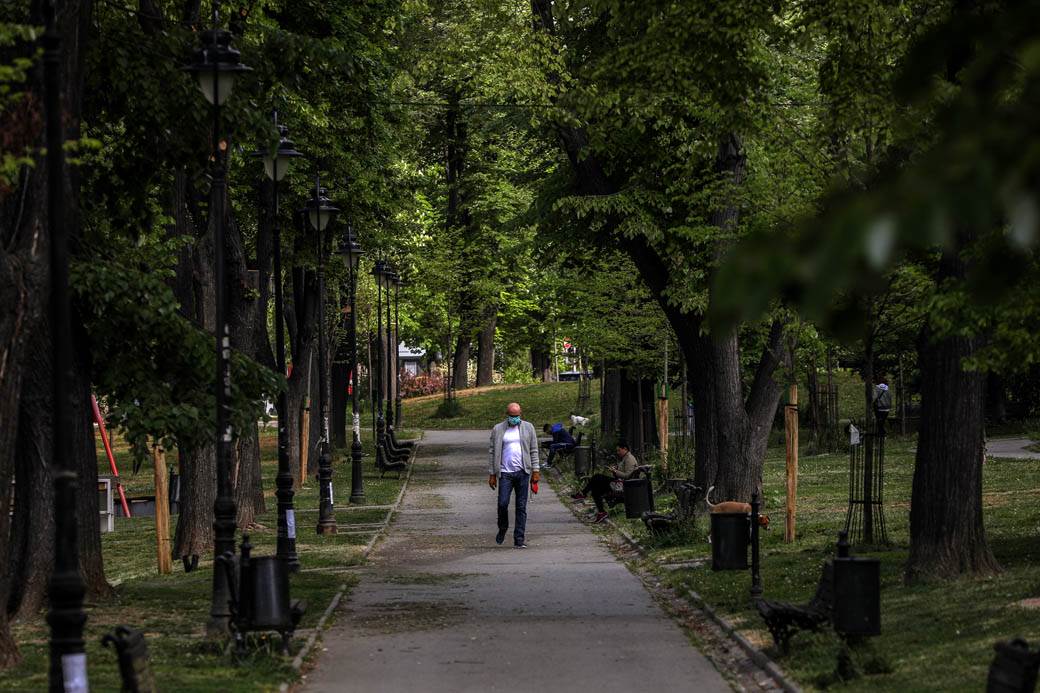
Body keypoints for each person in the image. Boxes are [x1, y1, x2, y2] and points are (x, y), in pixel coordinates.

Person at [488, 402, 541, 548]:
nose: (514, 419)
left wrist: (535, 470)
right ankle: (503, 527)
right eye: (512, 416)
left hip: (523, 472)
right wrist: (492, 473)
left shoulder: (528, 428)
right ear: (507, 415)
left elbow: (534, 450)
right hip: (505, 473)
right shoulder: (498, 429)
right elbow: (492, 452)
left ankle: (519, 539)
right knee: (502, 503)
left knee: (521, 506)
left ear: (521, 415)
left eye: (517, 416)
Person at [571, 440, 640, 524]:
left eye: (619, 450)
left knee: (597, 477)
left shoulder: (630, 458)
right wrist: (615, 469)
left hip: (623, 485)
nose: (617, 452)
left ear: (625, 449)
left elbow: (627, 476)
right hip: (619, 483)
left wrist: (615, 471)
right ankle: (601, 512)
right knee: (595, 490)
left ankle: (583, 494)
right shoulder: (625, 458)